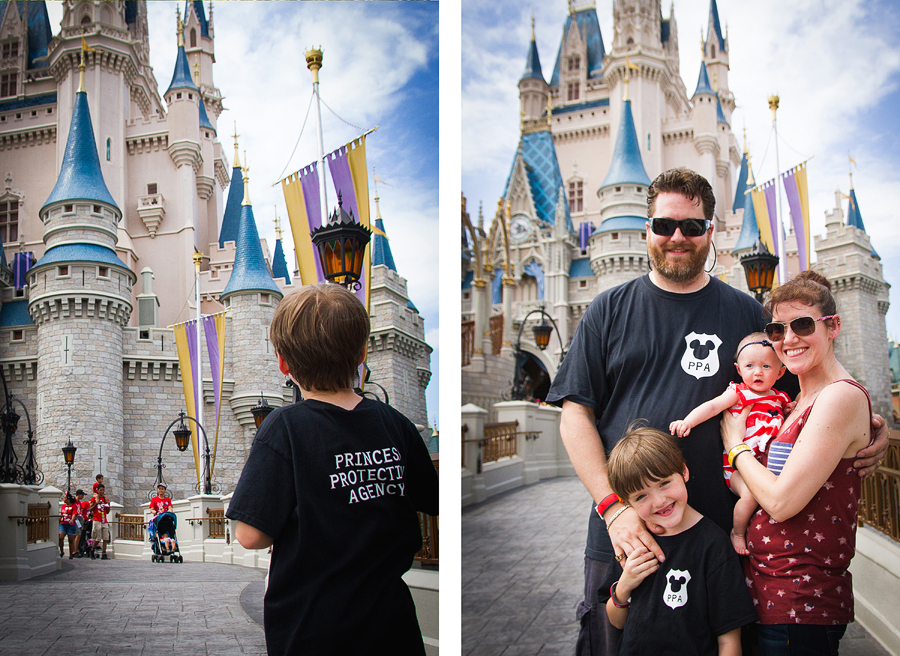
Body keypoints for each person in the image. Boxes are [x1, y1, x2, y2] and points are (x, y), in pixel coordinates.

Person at [545, 167, 889, 656]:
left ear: (711, 232)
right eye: (664, 226)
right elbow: (574, 415)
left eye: (691, 226)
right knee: (611, 642)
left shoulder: (748, 314)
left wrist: (867, 425)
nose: (677, 237)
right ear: (647, 230)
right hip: (625, 534)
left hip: (719, 542)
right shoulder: (607, 311)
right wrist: (613, 508)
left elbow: (812, 389)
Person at [226, 283, 439, 656]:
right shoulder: (395, 423)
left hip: (313, 630)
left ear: (283, 362)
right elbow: (431, 499)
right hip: (393, 626)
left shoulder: (284, 428)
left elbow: (250, 536)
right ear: (361, 354)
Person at [720, 270, 872, 655]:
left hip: (801, 602)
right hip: (772, 597)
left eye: (803, 324)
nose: (788, 339)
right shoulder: (795, 403)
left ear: (832, 326)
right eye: (776, 329)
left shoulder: (838, 397)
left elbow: (782, 502)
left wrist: (735, 446)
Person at [603, 425, 756, 655]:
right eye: (641, 496)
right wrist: (624, 585)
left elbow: (730, 638)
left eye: (664, 483)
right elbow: (616, 621)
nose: (659, 501)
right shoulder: (635, 541)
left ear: (683, 472)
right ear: (627, 503)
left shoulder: (713, 544)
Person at [670, 332, 790, 554]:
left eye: (766, 366)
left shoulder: (780, 398)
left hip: (766, 467)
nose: (757, 372)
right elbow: (713, 407)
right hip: (737, 468)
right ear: (738, 369)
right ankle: (737, 532)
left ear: (780, 372)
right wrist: (688, 421)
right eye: (750, 366)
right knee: (751, 495)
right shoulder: (739, 392)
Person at [89, 484, 111, 560]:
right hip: (96, 519)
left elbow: (107, 511)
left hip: (104, 519)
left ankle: (104, 553)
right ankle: (92, 549)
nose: (102, 491)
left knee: (105, 537)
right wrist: (96, 503)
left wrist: (107, 503)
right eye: (100, 490)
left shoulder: (105, 499)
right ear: (97, 491)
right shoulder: (94, 498)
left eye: (103, 490)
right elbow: (90, 509)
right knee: (97, 537)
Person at [58, 492, 78, 559]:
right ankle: (61, 551)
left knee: (71, 540)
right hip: (63, 524)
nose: (64, 499)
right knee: (61, 537)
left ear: (68, 499)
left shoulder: (73, 506)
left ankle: (71, 554)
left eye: (65, 498)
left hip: (70, 525)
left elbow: (74, 514)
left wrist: (72, 520)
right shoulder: (63, 506)